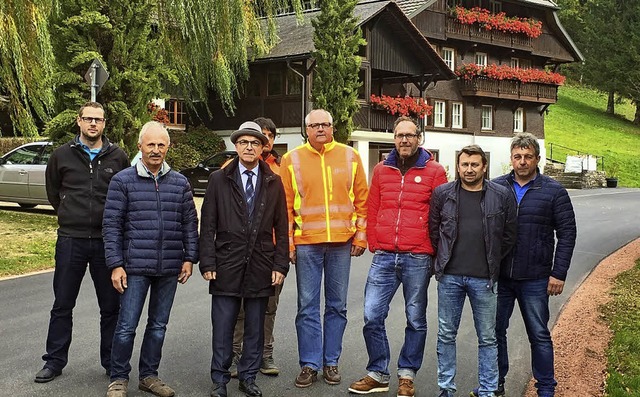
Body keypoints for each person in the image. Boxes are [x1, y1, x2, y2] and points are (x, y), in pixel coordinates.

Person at [347, 117, 446, 397]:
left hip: (418, 256)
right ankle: (378, 372)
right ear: (394, 139)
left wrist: (433, 250)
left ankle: (406, 374)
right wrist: (376, 242)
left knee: (415, 318)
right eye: (399, 135)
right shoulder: (381, 169)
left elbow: (442, 215)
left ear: (419, 138)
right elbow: (373, 205)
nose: (404, 140)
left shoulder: (435, 171)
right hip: (385, 255)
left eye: (410, 135)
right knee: (371, 315)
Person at [475, 132, 576, 397]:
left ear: (537, 159)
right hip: (501, 277)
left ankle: (545, 388)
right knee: (495, 333)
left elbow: (567, 233)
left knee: (539, 334)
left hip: (536, 277)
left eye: (528, 157)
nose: (522, 162)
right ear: (511, 159)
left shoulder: (554, 191)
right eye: (517, 157)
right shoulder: (495, 187)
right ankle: (495, 385)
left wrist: (558, 272)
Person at [102, 121, 199, 397]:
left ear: (168, 147)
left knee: (158, 325)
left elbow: (189, 224)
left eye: (161, 145)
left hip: (169, 266)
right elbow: (111, 225)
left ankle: (149, 376)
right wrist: (116, 264)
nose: (156, 150)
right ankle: (119, 378)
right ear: (140, 147)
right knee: (126, 326)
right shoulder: (123, 181)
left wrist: (190, 258)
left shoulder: (180, 183)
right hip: (133, 267)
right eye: (150, 145)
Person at [36, 101, 130, 383]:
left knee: (111, 307)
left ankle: (111, 362)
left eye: (98, 120)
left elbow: (125, 196)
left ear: (104, 124)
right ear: (78, 121)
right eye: (88, 119)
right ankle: (54, 361)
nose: (93, 124)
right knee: (63, 304)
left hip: (107, 242)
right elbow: (54, 193)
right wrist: (69, 213)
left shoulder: (118, 157)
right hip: (70, 240)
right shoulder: (61, 156)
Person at [280, 109, 369, 388]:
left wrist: (360, 237)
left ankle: (331, 361)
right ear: (306, 129)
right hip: (307, 244)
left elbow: (362, 200)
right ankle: (309, 364)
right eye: (315, 125)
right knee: (306, 306)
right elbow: (284, 206)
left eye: (325, 124)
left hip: (342, 243)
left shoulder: (350, 155)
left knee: (337, 306)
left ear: (333, 127)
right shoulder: (290, 159)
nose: (320, 128)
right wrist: (289, 244)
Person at [200, 121, 289, 397]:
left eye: (255, 143)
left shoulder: (273, 181)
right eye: (243, 142)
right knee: (224, 325)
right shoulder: (219, 179)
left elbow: (282, 227)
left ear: (263, 147)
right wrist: (208, 262)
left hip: (262, 262)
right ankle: (219, 379)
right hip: (226, 261)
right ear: (236, 146)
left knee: (255, 326)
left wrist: (280, 264)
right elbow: (208, 224)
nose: (249, 147)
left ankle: (248, 377)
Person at [429, 145, 517, 397]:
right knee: (446, 335)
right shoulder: (442, 194)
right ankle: (446, 389)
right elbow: (434, 232)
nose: (469, 169)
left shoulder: (501, 195)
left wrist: (491, 259)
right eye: (464, 164)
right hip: (450, 278)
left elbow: (510, 235)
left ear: (484, 166)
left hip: (485, 280)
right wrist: (443, 260)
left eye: (474, 164)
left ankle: (488, 390)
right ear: (458, 166)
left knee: (488, 338)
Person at [230, 117, 284, 377]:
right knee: (239, 306)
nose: (262, 141)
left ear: (270, 141)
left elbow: (285, 216)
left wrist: (283, 255)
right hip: (239, 252)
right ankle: (234, 353)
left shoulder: (281, 170)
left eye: (267, 136)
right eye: (252, 138)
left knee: (268, 307)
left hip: (269, 251)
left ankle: (265, 354)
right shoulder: (230, 168)